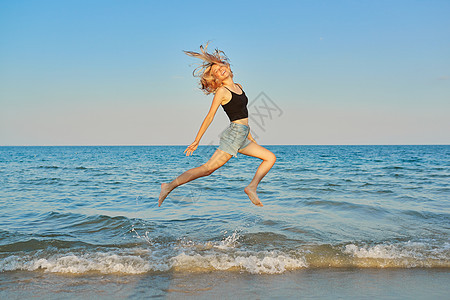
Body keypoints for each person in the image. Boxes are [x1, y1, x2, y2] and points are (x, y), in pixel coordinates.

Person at [158, 42, 276, 207]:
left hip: (242, 135)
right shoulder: (222, 92)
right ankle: (169, 186)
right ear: (217, 79)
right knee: (207, 169)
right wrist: (197, 140)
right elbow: (210, 116)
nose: (220, 70)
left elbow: (242, 114)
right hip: (234, 136)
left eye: (220, 66)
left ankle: (251, 187)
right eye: (215, 72)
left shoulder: (239, 87)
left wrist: (250, 136)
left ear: (226, 65)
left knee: (270, 158)